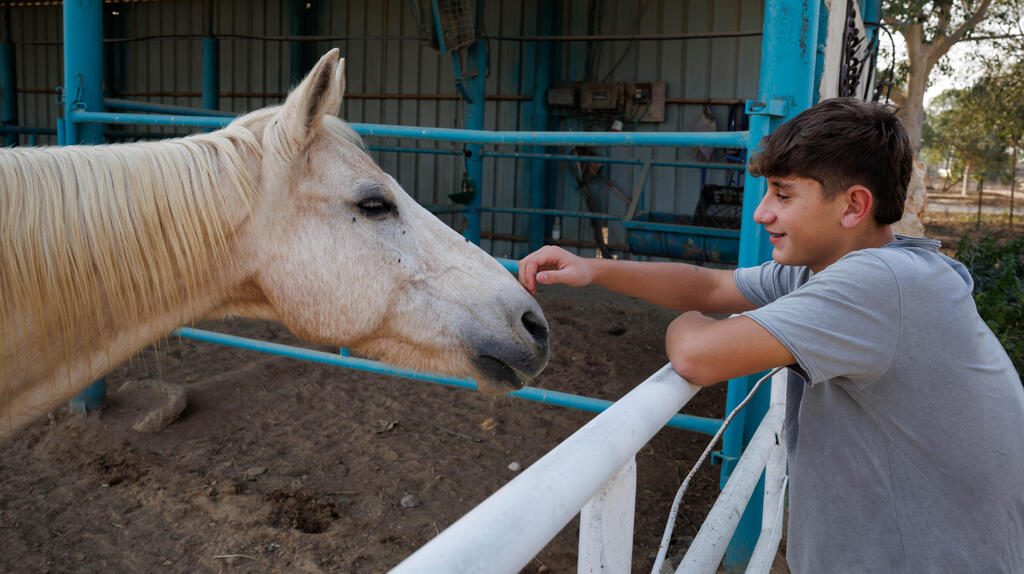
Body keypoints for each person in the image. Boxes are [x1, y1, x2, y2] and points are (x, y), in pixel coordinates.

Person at [517, 97, 1024, 573]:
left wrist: (683, 325)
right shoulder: (832, 268)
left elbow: (695, 356)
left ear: (853, 207)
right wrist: (595, 270)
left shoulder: (879, 284)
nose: (762, 213)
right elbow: (711, 285)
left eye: (783, 194)